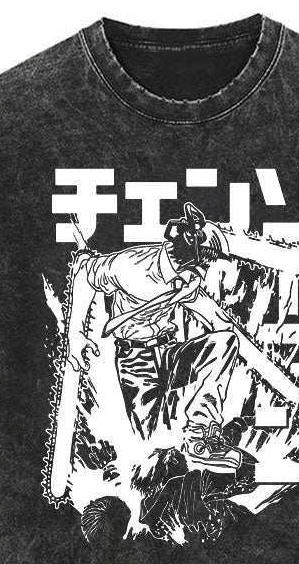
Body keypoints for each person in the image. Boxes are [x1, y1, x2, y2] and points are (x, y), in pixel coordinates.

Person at [66, 202, 242, 471]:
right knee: (153, 442)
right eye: (200, 264)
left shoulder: (185, 276)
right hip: (136, 361)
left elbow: (199, 305)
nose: (202, 272)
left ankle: (200, 436)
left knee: (225, 342)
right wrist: (76, 334)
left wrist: (219, 324)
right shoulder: (131, 267)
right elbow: (83, 273)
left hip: (169, 352)